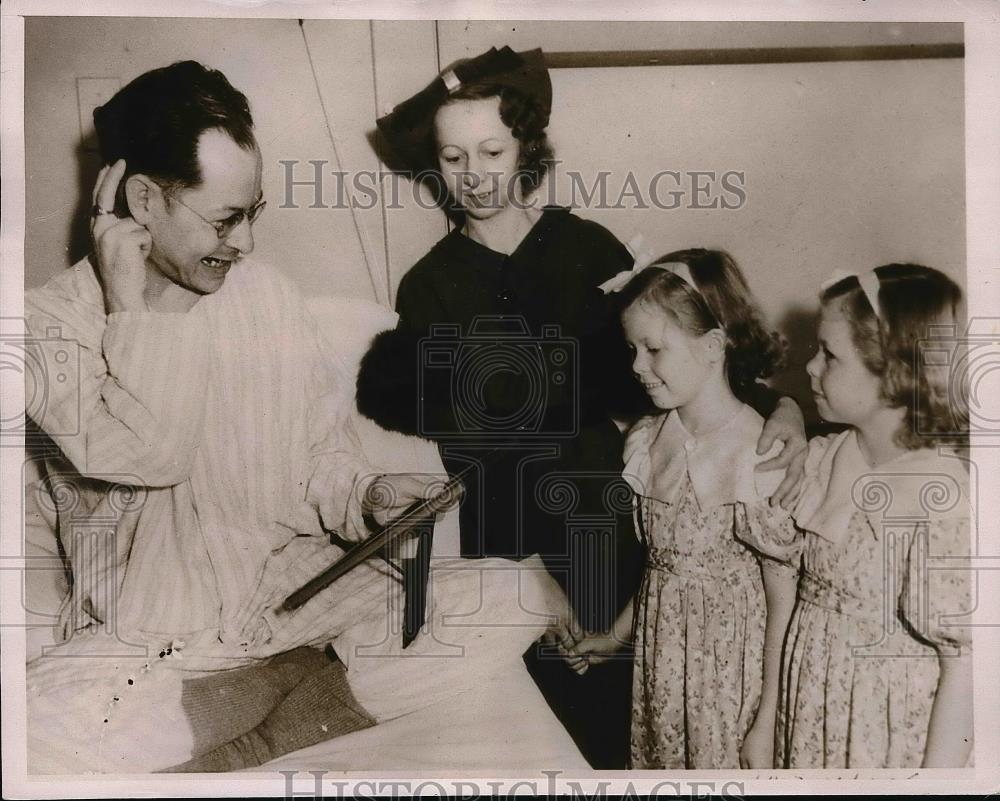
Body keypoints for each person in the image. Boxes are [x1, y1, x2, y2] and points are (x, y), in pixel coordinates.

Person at [24, 60, 555, 773]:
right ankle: (285, 687)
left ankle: (267, 718)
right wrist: (131, 309)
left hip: (291, 599)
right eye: (225, 218)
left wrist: (367, 495)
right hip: (163, 637)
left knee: (514, 595)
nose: (245, 243)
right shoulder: (47, 326)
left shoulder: (266, 296)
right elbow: (152, 455)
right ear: (143, 199)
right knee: (41, 734)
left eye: (255, 213)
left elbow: (318, 460)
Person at [359, 46, 809, 767]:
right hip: (510, 538)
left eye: (492, 151)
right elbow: (467, 448)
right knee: (547, 742)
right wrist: (533, 578)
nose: (473, 176)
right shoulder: (428, 287)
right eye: (452, 158)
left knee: (645, 724)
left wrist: (783, 408)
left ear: (526, 148)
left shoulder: (589, 248)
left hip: (620, 519)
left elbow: (681, 364)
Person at [561, 249, 801, 769]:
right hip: (662, 667)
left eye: (653, 349)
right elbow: (662, 570)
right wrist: (616, 637)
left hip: (732, 682)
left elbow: (786, 604)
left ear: (713, 347)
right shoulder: (650, 439)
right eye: (631, 349)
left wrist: (767, 720)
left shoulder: (756, 454)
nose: (636, 367)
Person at [777, 264, 973, 768]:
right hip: (810, 715)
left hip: (886, 734)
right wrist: (786, 410)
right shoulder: (823, 459)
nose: (811, 367)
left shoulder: (939, 494)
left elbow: (964, 668)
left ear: (893, 370)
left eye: (829, 354)